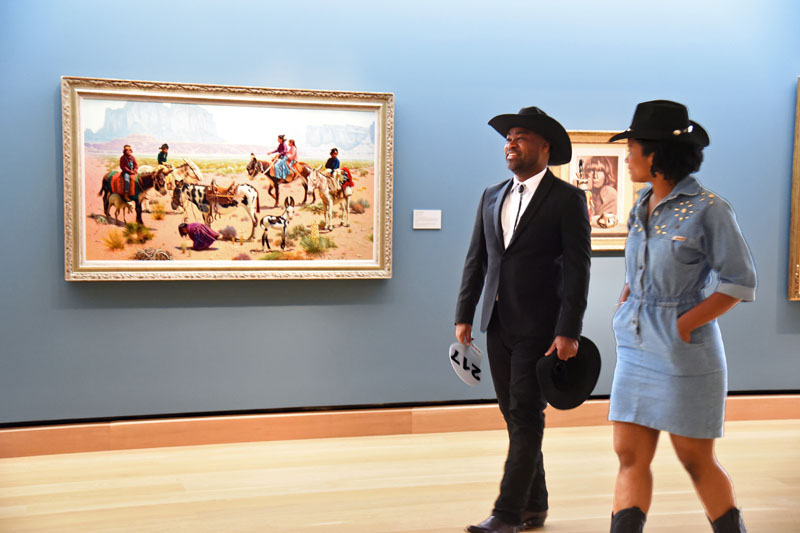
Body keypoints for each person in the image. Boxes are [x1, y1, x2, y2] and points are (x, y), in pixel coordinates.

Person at [607, 100, 756, 533]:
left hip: (685, 354)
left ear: (655, 154)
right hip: (635, 348)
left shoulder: (710, 209)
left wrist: (682, 325)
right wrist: (628, 296)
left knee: (694, 459)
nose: (627, 155)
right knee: (629, 455)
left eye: (632, 147)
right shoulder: (641, 204)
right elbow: (640, 266)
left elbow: (738, 281)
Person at [455, 107, 591, 533]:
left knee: (526, 413)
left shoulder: (568, 200)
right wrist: (464, 314)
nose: (510, 143)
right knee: (514, 415)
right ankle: (536, 504)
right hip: (497, 324)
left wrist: (569, 329)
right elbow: (477, 260)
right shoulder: (491, 195)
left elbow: (578, 268)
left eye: (521, 136)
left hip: (542, 328)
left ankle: (507, 513)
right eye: (508, 137)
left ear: (544, 146)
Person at [586, 156, 618, 220]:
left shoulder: (611, 193)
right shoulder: (587, 193)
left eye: (599, 171)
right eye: (592, 170)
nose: (595, 176)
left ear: (606, 175)